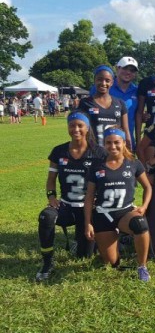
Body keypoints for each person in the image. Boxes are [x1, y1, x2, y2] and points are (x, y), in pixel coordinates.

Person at [36, 111, 107, 281]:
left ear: (87, 127)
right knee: (46, 217)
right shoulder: (59, 151)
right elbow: (51, 179)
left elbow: (108, 179)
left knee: (85, 256)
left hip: (89, 208)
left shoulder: (99, 152)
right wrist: (51, 197)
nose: (76, 129)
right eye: (72, 125)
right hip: (66, 205)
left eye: (80, 125)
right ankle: (47, 262)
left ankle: (81, 241)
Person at [84, 127, 153, 282]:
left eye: (117, 142)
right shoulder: (97, 165)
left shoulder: (133, 163)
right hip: (103, 214)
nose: (113, 146)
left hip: (125, 212)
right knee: (112, 263)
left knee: (140, 224)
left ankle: (142, 266)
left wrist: (144, 206)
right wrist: (88, 223)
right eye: (108, 143)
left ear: (124, 143)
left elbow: (148, 187)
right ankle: (116, 244)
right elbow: (89, 197)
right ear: (104, 144)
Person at [90, 56, 139, 149]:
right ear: (117, 68)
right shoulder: (103, 86)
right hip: (100, 142)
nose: (128, 72)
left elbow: (139, 113)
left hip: (126, 141)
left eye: (132, 70)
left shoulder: (137, 91)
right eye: (125, 68)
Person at [78, 66, 131, 148]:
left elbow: (126, 130)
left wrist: (128, 150)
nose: (103, 83)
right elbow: (80, 129)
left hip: (114, 152)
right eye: (100, 79)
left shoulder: (120, 103)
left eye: (107, 80)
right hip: (93, 152)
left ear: (112, 82)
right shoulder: (85, 103)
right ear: (94, 80)